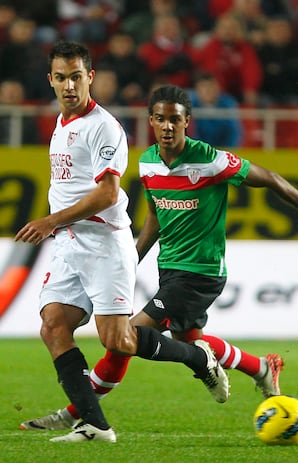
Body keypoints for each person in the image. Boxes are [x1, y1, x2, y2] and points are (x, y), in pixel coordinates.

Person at [19, 85, 298, 434]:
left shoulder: (210, 159)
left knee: (126, 336)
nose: (167, 126)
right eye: (161, 119)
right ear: (151, 121)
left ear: (187, 122)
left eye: (175, 120)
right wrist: (132, 258)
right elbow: (154, 216)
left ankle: (78, 413)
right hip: (169, 269)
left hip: (202, 271)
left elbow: (268, 178)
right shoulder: (148, 162)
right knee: (186, 341)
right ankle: (260, 368)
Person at [14, 42, 230, 443]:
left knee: (119, 339)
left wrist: (48, 221)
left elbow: (108, 194)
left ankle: (200, 357)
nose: (69, 85)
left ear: (89, 77)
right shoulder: (60, 126)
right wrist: (57, 227)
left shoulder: (103, 127)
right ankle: (95, 425)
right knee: (53, 325)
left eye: (76, 76)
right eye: (61, 77)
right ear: (51, 80)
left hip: (103, 244)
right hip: (69, 244)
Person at [188, 71, 243, 147]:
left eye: (210, 86)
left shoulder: (228, 104)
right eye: (203, 87)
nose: (207, 90)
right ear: (197, 90)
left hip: (224, 149)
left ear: (217, 87)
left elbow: (234, 132)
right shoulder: (190, 104)